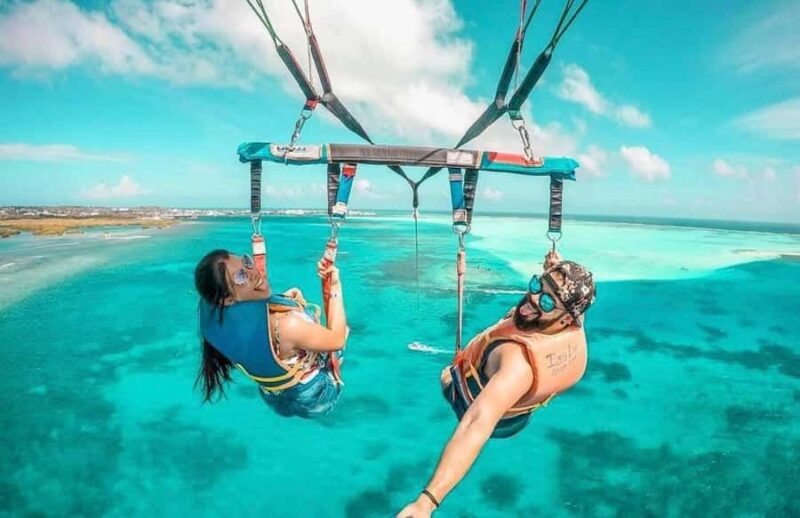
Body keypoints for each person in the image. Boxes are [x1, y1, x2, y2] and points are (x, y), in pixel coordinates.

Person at [397, 251, 595, 517]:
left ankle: (450, 387)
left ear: (564, 319)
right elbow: (569, 299)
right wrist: (554, 269)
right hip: (521, 417)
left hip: (485, 412)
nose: (533, 298)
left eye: (547, 301)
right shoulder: (574, 325)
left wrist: (427, 501)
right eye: (538, 285)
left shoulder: (518, 363)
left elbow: (476, 423)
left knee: (446, 377)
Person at [194, 249, 348, 418]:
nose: (253, 272)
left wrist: (286, 302)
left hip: (274, 395)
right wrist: (334, 286)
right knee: (343, 332)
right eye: (240, 277)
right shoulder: (288, 325)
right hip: (315, 398)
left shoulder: (223, 319)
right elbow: (337, 339)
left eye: (246, 262)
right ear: (227, 300)